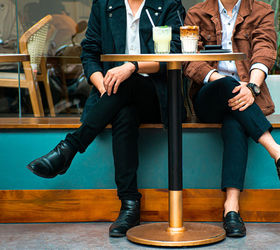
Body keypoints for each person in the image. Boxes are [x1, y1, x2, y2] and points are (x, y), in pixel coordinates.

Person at [26, 0, 184, 237]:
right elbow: (89, 52)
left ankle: (69, 147)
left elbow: (175, 54)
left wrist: (131, 67)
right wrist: (104, 87)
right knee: (124, 112)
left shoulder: (168, 4)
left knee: (126, 79)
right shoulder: (105, 4)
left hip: (156, 95)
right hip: (112, 93)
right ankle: (129, 206)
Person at [183, 0, 280, 237]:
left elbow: (265, 49)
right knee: (227, 84)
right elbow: (190, 59)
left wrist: (252, 87)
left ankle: (231, 208)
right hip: (209, 95)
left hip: (247, 96)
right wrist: (230, 84)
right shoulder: (197, 12)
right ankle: (277, 151)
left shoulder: (261, 10)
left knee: (234, 121)